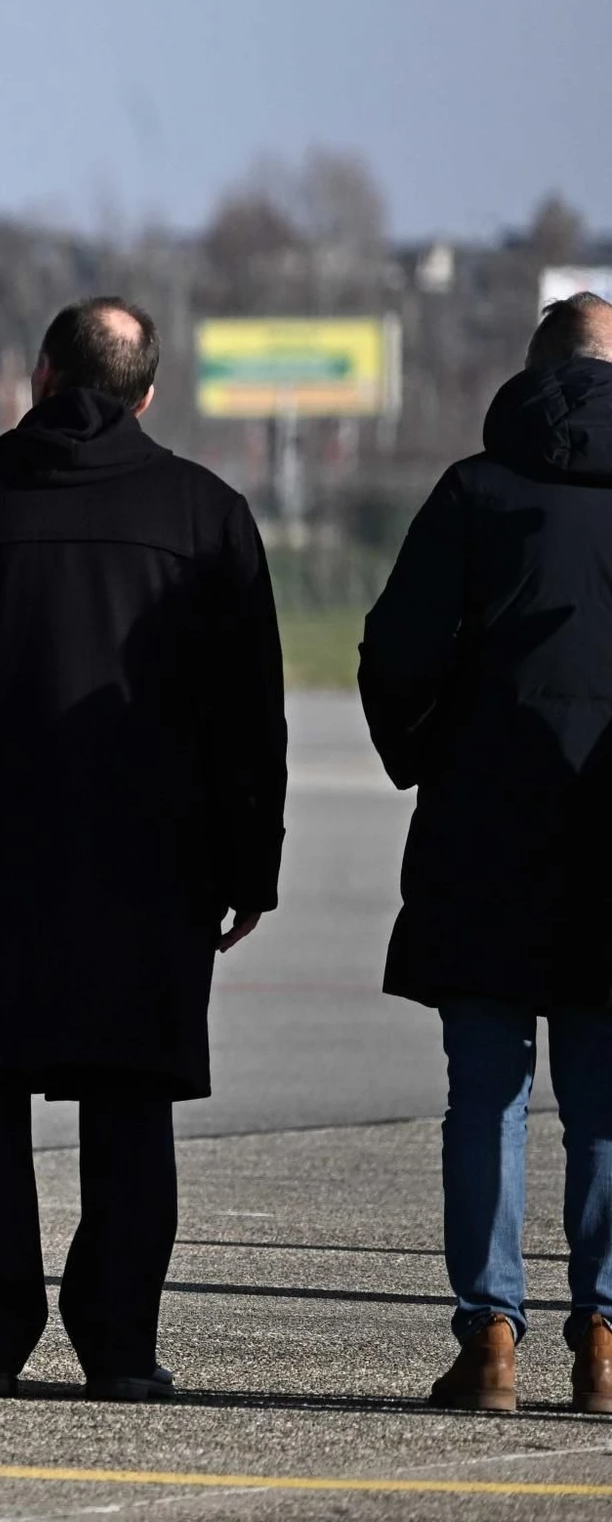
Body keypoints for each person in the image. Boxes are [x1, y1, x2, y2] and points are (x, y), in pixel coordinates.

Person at [0, 297, 284, 1401]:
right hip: (153, 862)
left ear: (40, 375)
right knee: (131, 1102)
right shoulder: (206, 512)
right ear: (148, 393)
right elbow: (251, 716)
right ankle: (120, 1345)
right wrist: (252, 864)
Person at [361, 292, 612, 1414]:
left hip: (484, 832)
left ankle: (492, 1339)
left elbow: (395, 650)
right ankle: (604, 1339)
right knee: (603, 1100)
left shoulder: (473, 489)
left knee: (487, 1095)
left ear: (532, 370)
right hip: (608, 836)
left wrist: (426, 756)